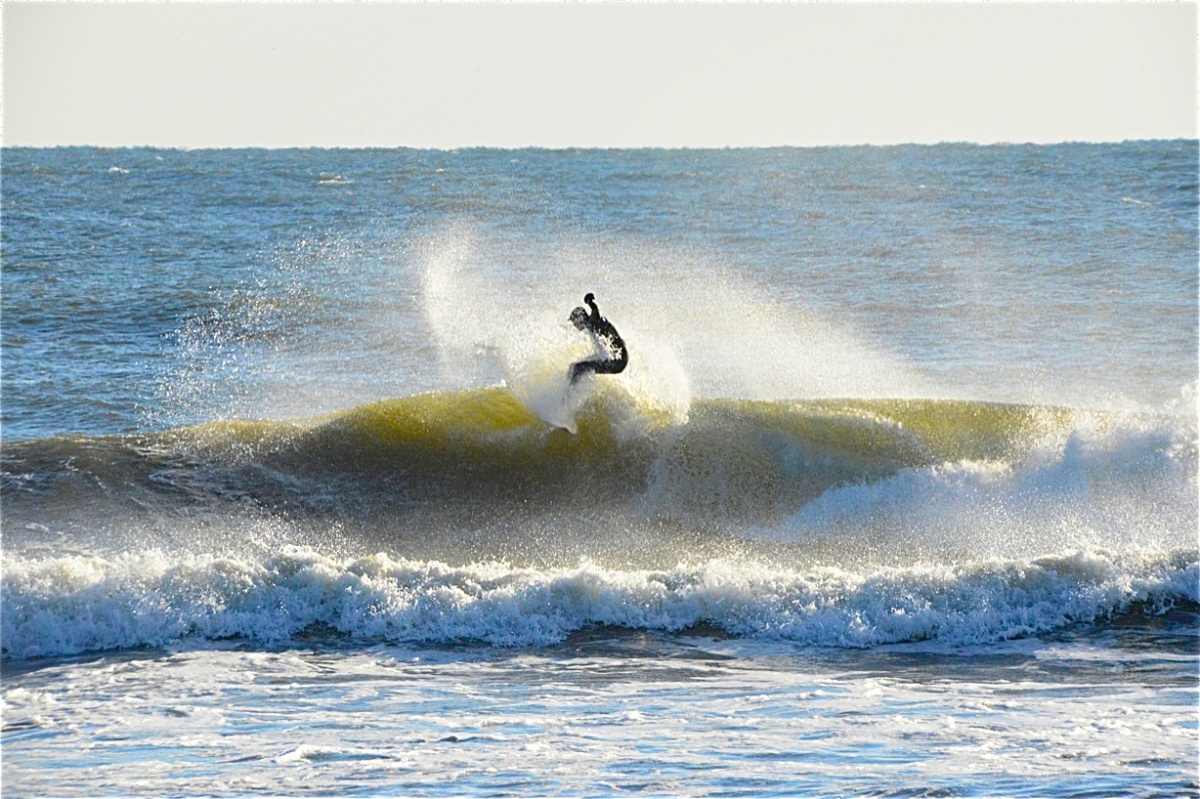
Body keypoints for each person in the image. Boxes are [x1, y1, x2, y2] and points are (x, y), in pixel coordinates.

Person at [567, 292, 628, 384]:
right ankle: (575, 390)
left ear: (579, 318)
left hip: (617, 361)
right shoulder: (591, 324)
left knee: (578, 368)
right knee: (573, 366)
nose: (574, 325)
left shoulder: (593, 321)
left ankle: (568, 396)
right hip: (616, 358)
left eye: (574, 322)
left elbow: (595, 310)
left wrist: (590, 302)